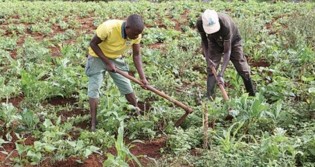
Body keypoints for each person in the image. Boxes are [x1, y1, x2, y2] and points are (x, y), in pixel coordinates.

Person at [85, 14, 148, 131]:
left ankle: (137, 113)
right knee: (94, 88)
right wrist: (107, 63)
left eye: (138, 35)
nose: (135, 37)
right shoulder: (108, 28)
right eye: (134, 34)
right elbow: (93, 44)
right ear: (127, 28)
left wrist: (143, 78)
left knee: (127, 86)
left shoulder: (136, 34)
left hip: (116, 58)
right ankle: (93, 123)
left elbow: (136, 55)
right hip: (97, 57)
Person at [196, 9, 255, 99]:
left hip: (233, 41)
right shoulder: (200, 23)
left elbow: (227, 51)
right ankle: (210, 97)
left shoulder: (225, 24)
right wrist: (208, 59)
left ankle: (252, 94)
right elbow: (204, 42)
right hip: (214, 41)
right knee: (211, 68)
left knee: (241, 66)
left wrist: (221, 74)